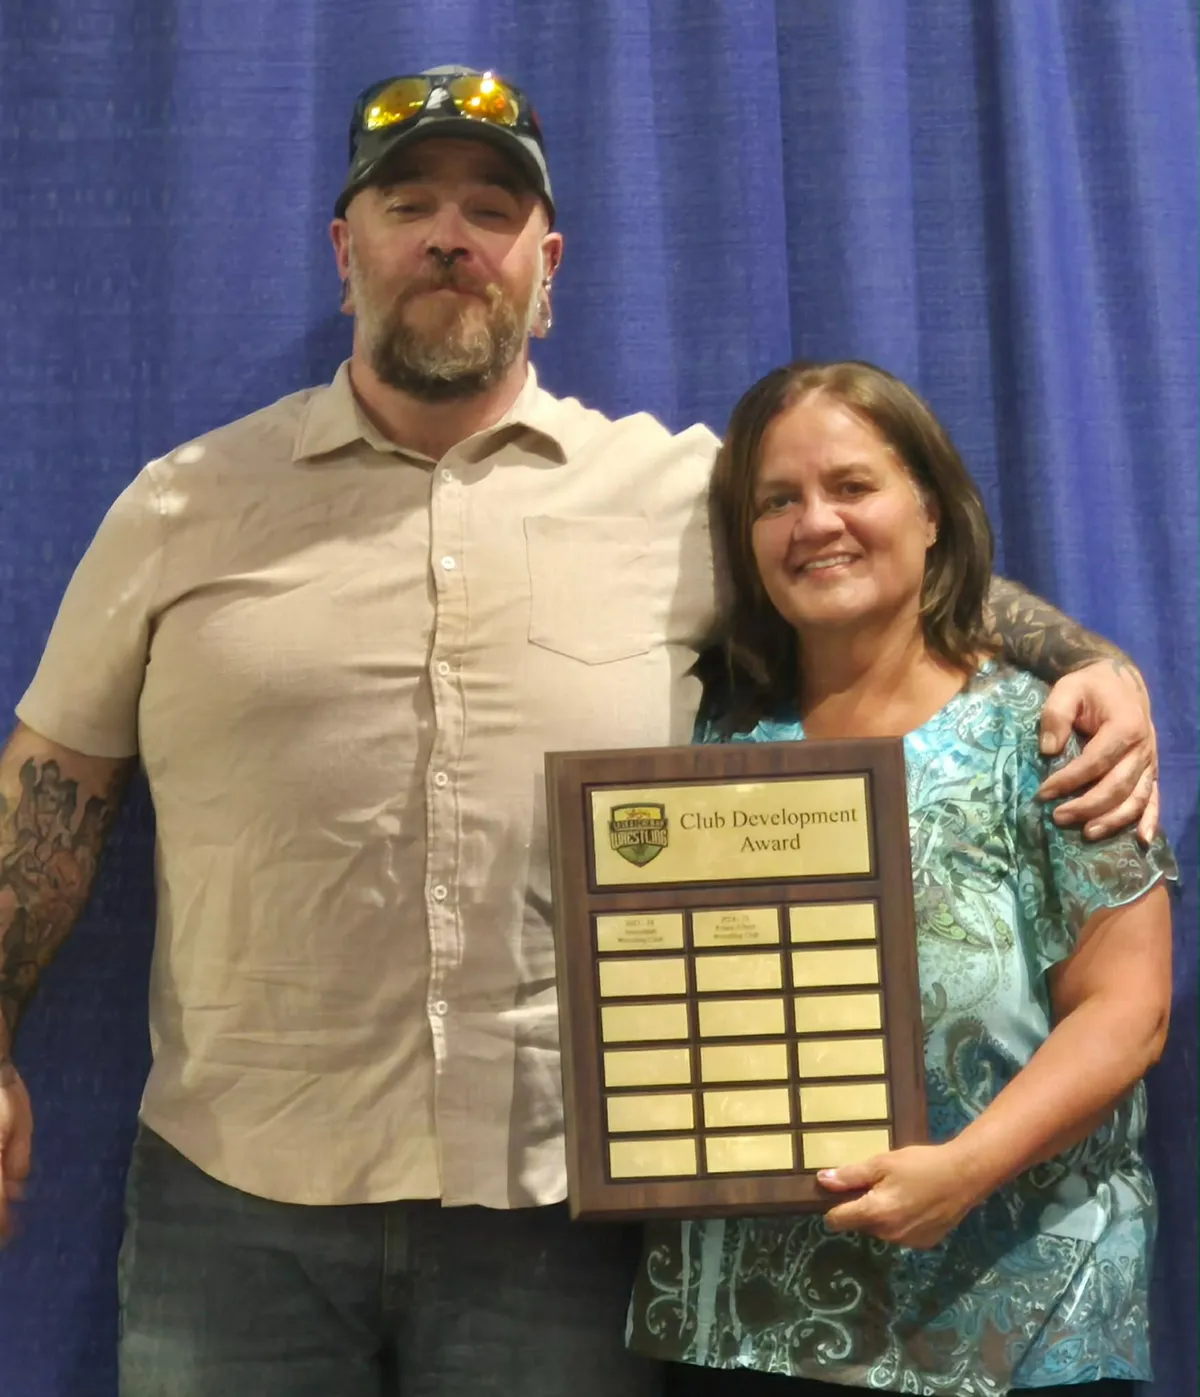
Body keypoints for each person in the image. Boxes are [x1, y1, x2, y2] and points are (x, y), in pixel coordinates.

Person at [0, 66, 1161, 1397]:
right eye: (408, 203)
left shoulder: (690, 499)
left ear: (545, 264)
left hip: (555, 1220)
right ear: (346, 251)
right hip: (237, 1203)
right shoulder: (178, 508)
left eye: (491, 211)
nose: (449, 236)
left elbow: (879, 570)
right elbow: (52, 790)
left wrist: (1093, 659)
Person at [628, 361, 1175, 1397]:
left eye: (852, 486)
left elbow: (1128, 1007)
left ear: (931, 510)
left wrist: (964, 1170)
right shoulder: (703, 738)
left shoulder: (1058, 728)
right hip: (747, 1327)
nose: (815, 522)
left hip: (1016, 1318)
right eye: (776, 500)